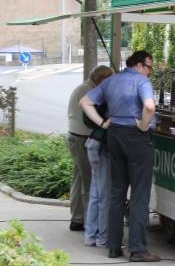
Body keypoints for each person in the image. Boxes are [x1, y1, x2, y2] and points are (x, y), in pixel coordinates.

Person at [80, 50, 160, 262]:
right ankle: (138, 249)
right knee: (139, 194)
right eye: (150, 67)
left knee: (117, 192)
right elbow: (149, 107)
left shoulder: (111, 81)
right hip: (137, 139)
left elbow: (85, 102)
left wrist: (103, 123)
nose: (150, 72)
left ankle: (114, 246)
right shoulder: (142, 82)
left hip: (114, 135)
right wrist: (143, 125)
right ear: (140, 65)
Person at [67, 65, 114, 231]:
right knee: (89, 180)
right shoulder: (89, 91)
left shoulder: (83, 88)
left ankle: (77, 218)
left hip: (75, 136)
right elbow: (94, 116)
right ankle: (89, 222)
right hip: (82, 137)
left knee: (79, 177)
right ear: (101, 79)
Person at [83, 72, 113, 248]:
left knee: (96, 193)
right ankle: (103, 237)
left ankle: (90, 235)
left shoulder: (99, 95)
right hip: (103, 147)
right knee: (104, 195)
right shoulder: (110, 97)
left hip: (92, 143)